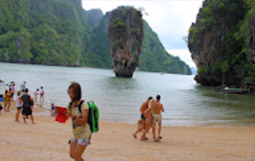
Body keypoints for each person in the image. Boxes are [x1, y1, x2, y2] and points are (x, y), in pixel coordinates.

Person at [65, 82, 91, 161]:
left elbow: (83, 121)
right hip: (75, 133)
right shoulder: (70, 104)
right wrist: (57, 113)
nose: (70, 95)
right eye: (69, 93)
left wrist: (72, 116)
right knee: (72, 154)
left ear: (77, 93)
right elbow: (66, 117)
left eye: (72, 93)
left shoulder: (83, 105)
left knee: (77, 155)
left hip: (85, 133)